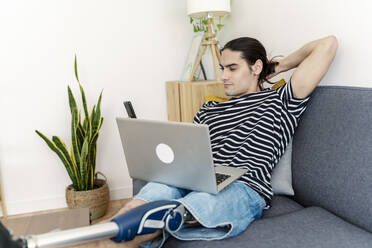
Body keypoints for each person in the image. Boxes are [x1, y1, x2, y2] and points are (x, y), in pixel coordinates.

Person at [102, 35, 338, 248]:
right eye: (222, 68)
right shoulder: (210, 108)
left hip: (243, 184)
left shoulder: (281, 100)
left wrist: (277, 66)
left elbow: (327, 45)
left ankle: (127, 236)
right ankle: (112, 233)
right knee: (155, 191)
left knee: (197, 204)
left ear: (255, 67)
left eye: (232, 68)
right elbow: (187, 152)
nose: (223, 76)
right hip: (194, 178)